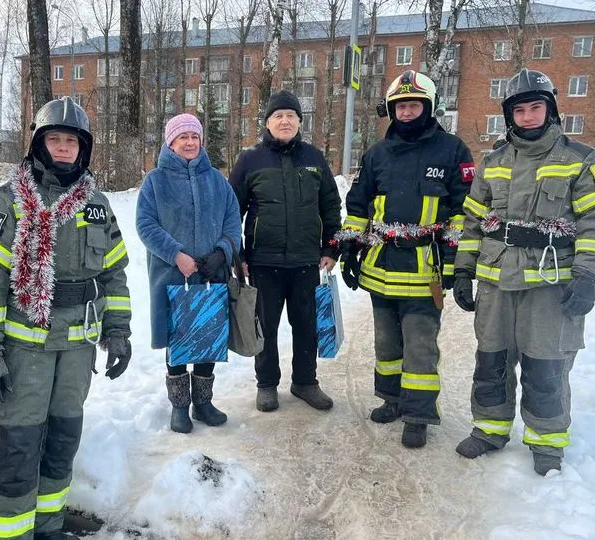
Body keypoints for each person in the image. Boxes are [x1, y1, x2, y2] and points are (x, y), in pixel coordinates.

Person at [0, 96, 131, 540]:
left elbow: (114, 274)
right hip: (23, 351)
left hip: (76, 352)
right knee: (18, 445)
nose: (62, 148)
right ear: (38, 144)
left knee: (62, 441)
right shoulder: (8, 202)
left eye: (70, 141)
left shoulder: (97, 204)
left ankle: (48, 526)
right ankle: (7, 533)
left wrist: (118, 332)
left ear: (84, 149)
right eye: (53, 139)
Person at [452, 69, 595, 475]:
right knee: (490, 361)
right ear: (509, 115)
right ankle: (490, 430)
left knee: (546, 366)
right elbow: (472, 221)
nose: (527, 117)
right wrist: (462, 270)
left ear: (551, 109)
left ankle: (546, 442)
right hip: (496, 281)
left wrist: (588, 275)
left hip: (551, 285)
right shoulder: (492, 162)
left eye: (535, 108)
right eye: (519, 110)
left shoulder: (583, 160)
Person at [339, 70, 474, 448]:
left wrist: (452, 263)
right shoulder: (377, 154)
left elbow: (462, 212)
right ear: (391, 110)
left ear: (429, 108)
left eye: (414, 105)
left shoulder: (452, 150)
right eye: (400, 106)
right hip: (380, 267)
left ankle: (418, 414)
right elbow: (358, 206)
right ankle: (392, 399)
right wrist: (350, 248)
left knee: (419, 345)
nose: (407, 112)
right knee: (386, 342)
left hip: (424, 268)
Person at [229, 90, 342, 413]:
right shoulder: (250, 160)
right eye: (278, 116)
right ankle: (266, 384)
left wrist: (332, 247)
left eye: (291, 116)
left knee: (306, 324)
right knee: (266, 325)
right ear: (267, 122)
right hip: (263, 262)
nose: (285, 121)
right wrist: (239, 256)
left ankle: (305, 381)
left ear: (299, 122)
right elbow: (231, 211)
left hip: (307, 260)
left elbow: (331, 205)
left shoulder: (314, 158)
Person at [136, 113, 242, 433]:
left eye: (194, 137)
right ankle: (179, 407)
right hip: (173, 277)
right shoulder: (155, 180)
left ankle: (203, 403)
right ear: (170, 142)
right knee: (179, 341)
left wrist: (221, 252)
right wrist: (175, 254)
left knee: (208, 339)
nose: (189, 142)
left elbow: (232, 222)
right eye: (182, 137)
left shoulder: (217, 181)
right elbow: (145, 224)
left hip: (211, 276)